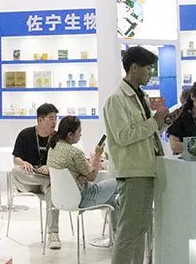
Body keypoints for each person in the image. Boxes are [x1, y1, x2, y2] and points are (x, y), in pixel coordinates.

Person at [103, 46, 169, 264]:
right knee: (128, 231)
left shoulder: (141, 96)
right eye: (147, 68)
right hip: (132, 172)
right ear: (133, 68)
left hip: (146, 169)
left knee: (141, 229)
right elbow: (123, 136)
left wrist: (163, 123)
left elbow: (146, 132)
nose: (150, 73)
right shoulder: (116, 99)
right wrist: (153, 122)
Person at [12, 103, 62, 249]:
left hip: (47, 182)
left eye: (56, 118)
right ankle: (48, 180)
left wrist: (50, 167)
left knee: (53, 189)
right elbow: (16, 159)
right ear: (40, 119)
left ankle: (53, 234)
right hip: (29, 180)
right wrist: (24, 163)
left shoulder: (57, 138)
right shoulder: (25, 134)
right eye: (51, 118)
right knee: (15, 171)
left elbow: (62, 162)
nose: (54, 122)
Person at [47, 116, 117, 210]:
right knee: (119, 183)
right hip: (82, 198)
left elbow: (66, 171)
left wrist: (78, 176)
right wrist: (97, 155)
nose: (81, 134)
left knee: (112, 199)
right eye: (79, 131)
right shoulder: (75, 153)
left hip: (60, 199)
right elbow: (92, 177)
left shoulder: (52, 149)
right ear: (70, 135)